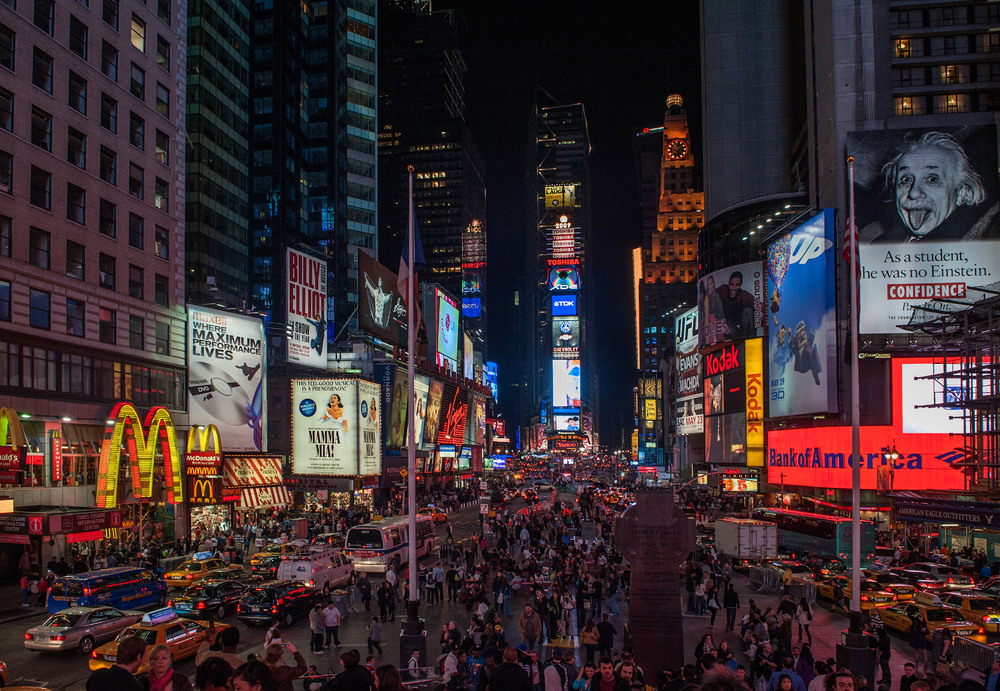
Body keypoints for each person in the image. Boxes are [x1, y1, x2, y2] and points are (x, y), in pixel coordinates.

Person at [866, 131, 991, 243]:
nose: (914, 193)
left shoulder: (983, 243)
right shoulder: (878, 243)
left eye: (932, 179)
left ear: (962, 193)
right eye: (906, 180)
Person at [719, 271, 757, 338]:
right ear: (728, 284)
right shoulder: (722, 290)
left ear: (740, 285)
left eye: (737, 285)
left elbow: (760, 306)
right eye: (732, 284)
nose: (734, 288)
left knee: (748, 311)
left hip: (742, 327)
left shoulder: (744, 295)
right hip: (726, 325)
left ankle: (750, 339)